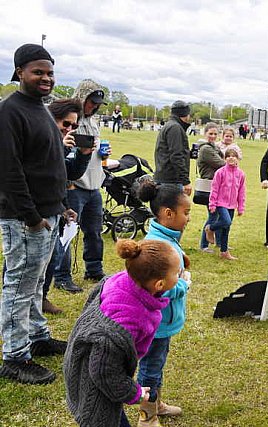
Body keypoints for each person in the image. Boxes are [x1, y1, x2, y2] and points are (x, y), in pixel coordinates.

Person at [0, 43, 75, 385]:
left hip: (49, 213)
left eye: (49, 72)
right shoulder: (10, 111)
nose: (46, 78)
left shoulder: (41, 108)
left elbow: (48, 161)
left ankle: (37, 337)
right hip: (24, 218)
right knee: (19, 285)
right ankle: (15, 356)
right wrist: (31, 216)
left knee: (36, 282)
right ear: (20, 73)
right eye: (38, 72)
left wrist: (60, 205)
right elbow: (9, 171)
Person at [63, 239, 181, 427]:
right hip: (94, 381)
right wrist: (135, 392)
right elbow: (104, 372)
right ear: (159, 284)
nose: (180, 275)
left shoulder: (123, 280)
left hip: (96, 362)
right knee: (103, 418)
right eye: (177, 273)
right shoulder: (127, 321)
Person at [136, 178, 192, 426]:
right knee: (150, 368)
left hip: (162, 323)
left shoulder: (165, 238)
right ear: (168, 214)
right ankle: (146, 416)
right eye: (186, 212)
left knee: (157, 364)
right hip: (155, 325)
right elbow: (159, 289)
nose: (188, 218)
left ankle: (155, 403)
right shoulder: (160, 245)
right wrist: (183, 284)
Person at [54, 79, 109, 290]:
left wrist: (102, 154)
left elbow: (90, 153)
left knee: (94, 231)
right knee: (67, 233)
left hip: (94, 185)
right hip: (75, 185)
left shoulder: (94, 122)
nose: (94, 106)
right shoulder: (70, 120)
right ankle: (62, 276)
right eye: (91, 101)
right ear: (82, 97)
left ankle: (94, 269)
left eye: (97, 103)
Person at [41, 98, 94, 314]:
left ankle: (41, 298)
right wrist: (61, 148)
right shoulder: (42, 139)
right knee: (28, 266)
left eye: (74, 126)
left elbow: (68, 173)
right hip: (32, 213)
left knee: (52, 258)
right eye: (66, 124)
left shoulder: (58, 143)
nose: (69, 129)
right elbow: (45, 169)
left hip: (53, 209)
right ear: (52, 119)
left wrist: (83, 156)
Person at [207, 149, 245, 260]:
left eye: (234, 156)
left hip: (232, 205)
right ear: (225, 159)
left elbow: (241, 191)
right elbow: (214, 189)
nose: (231, 158)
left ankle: (224, 252)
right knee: (226, 221)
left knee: (226, 228)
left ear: (237, 159)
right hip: (221, 203)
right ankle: (211, 228)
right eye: (228, 156)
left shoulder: (241, 174)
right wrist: (212, 204)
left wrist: (241, 207)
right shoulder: (220, 172)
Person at [195, 123, 225, 253]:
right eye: (210, 133)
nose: (213, 136)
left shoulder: (213, 148)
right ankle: (204, 245)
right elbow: (221, 163)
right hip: (209, 186)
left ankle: (218, 242)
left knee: (217, 215)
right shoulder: (206, 149)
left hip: (216, 185)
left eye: (215, 134)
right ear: (205, 134)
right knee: (213, 216)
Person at [154, 100, 192, 196]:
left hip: (165, 178)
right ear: (185, 114)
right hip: (171, 180)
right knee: (173, 210)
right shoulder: (175, 128)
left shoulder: (170, 125)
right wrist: (185, 181)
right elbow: (176, 156)